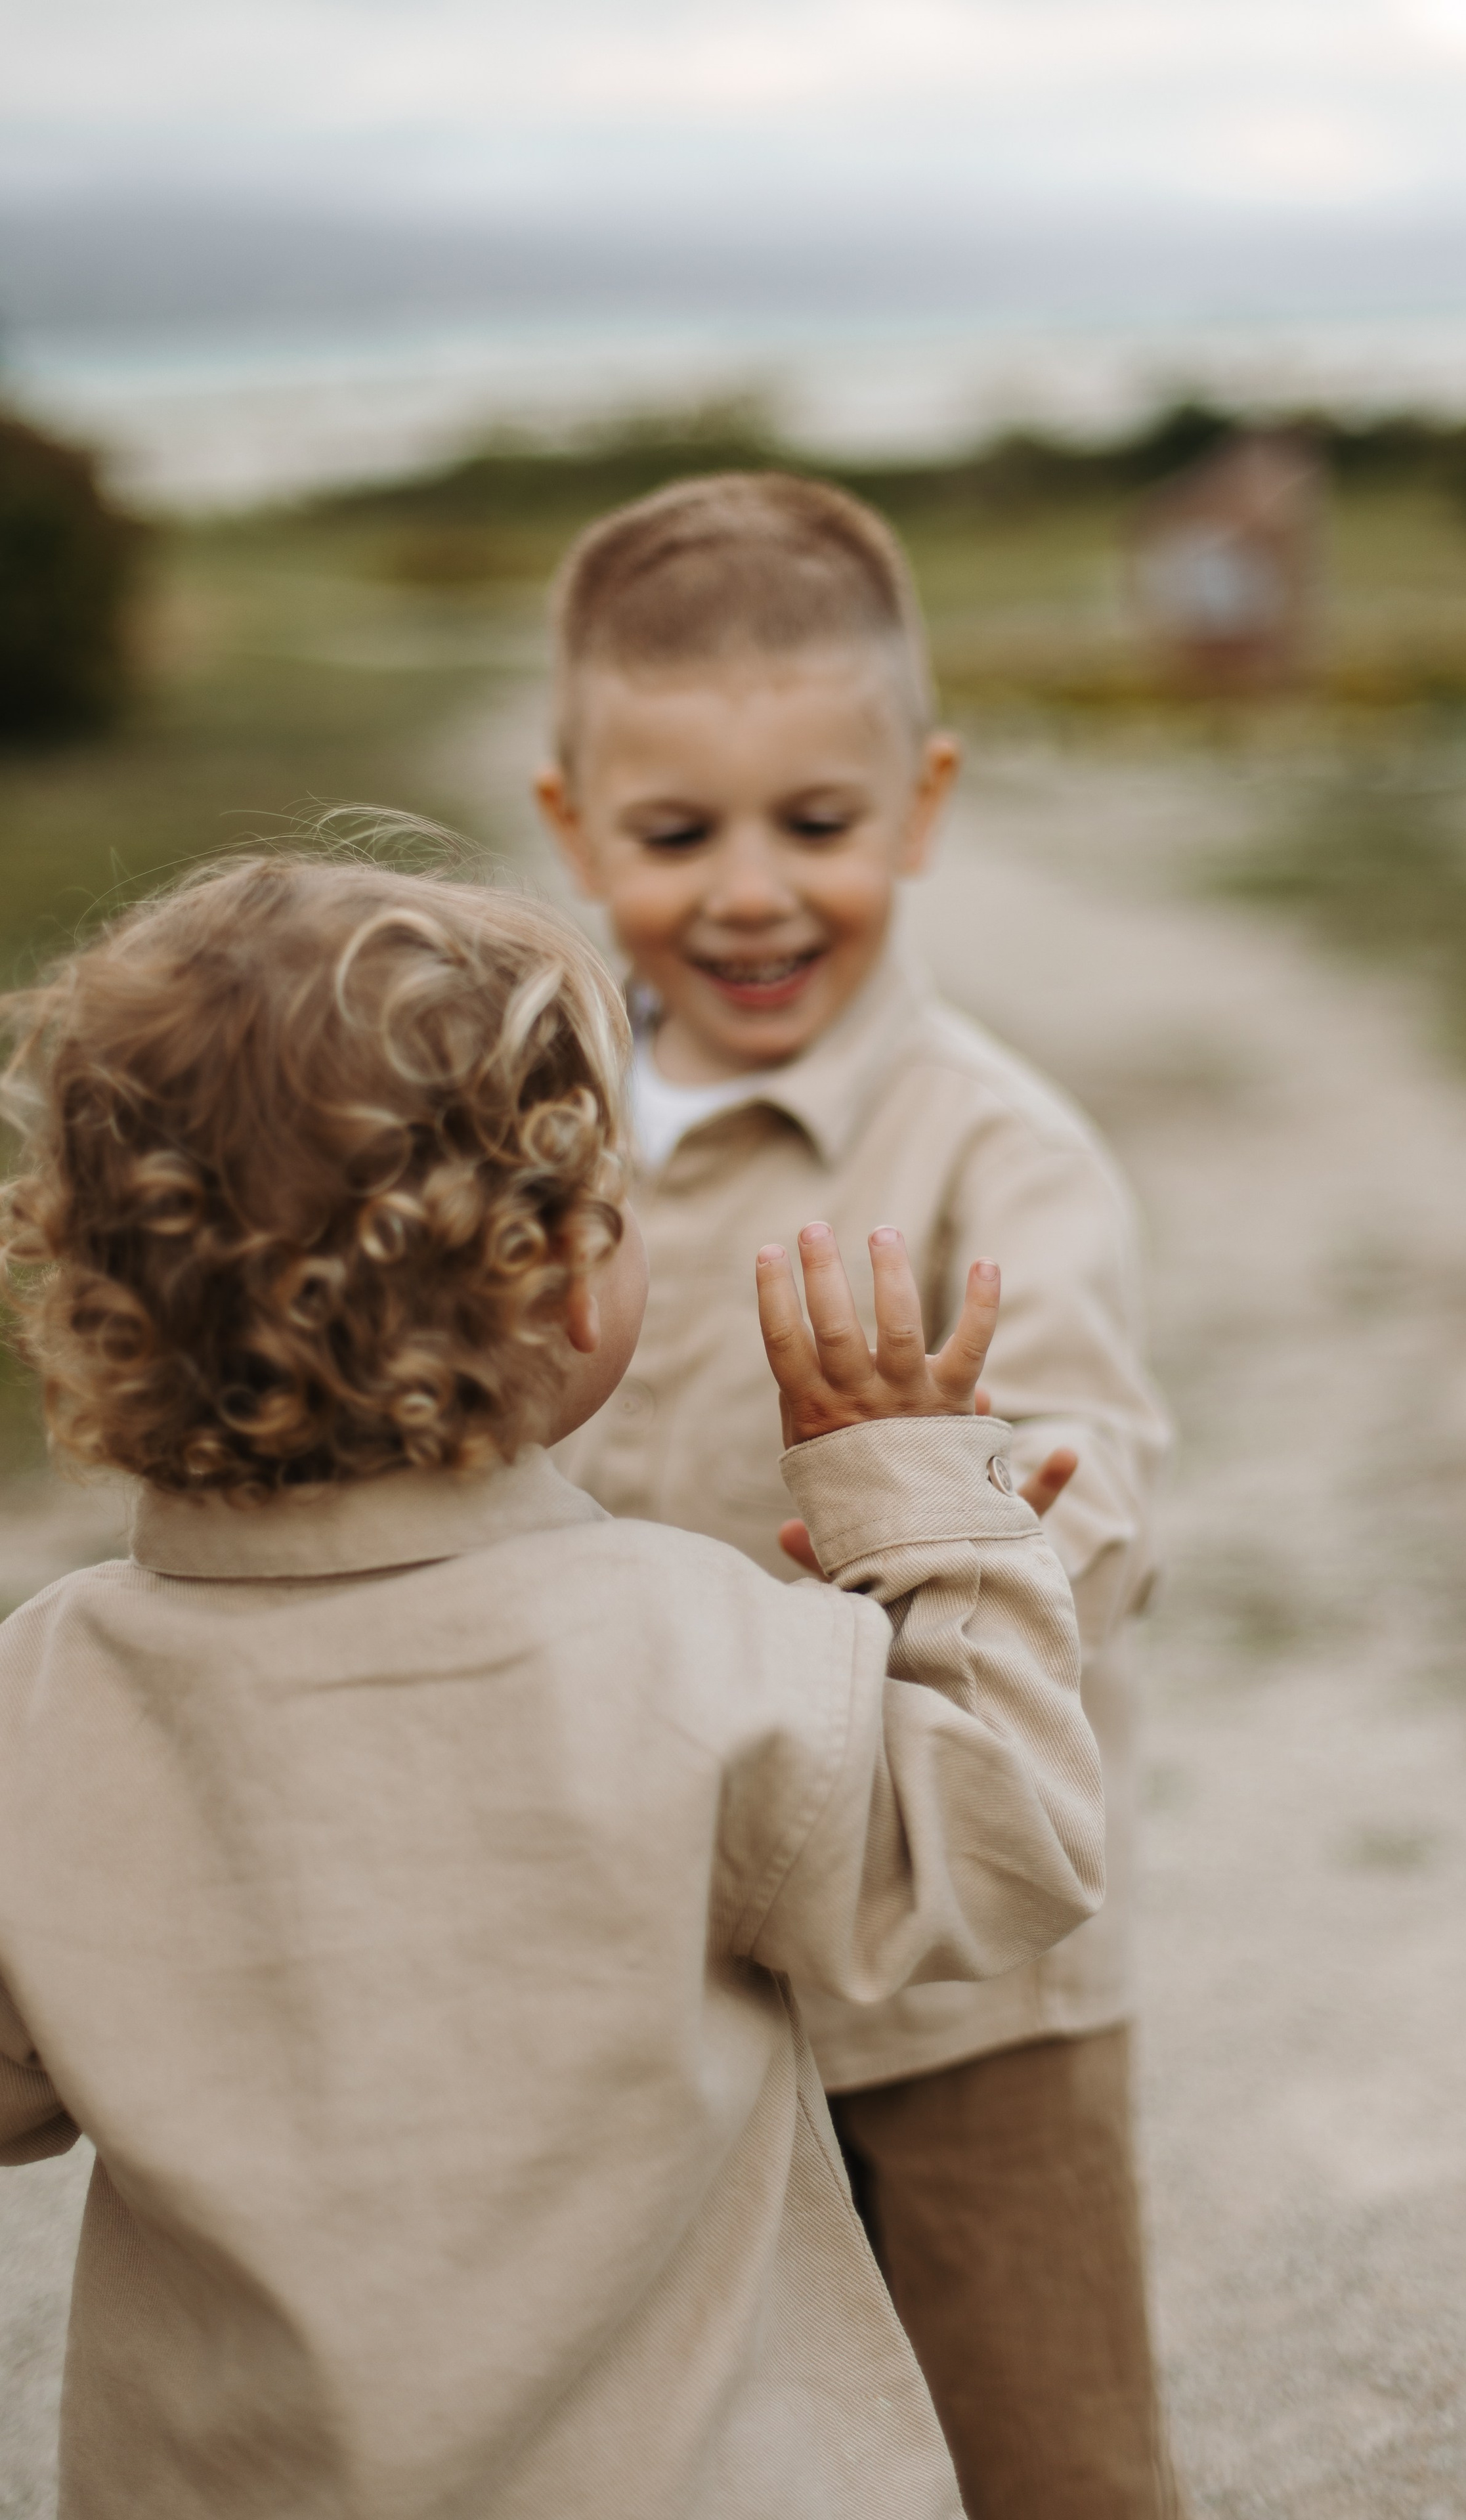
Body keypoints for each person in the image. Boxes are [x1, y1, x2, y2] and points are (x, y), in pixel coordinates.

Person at [0, 852, 1106, 2520]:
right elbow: (1001, 1851)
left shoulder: (45, 1692)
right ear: (559, 1277)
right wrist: (924, 1518)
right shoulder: (695, 1649)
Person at [536, 470, 1180, 2520]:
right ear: (570, 825)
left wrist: (945, 1525)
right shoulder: (537, 1129)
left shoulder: (999, 1149)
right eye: (673, 832)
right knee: (676, 2439)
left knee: (1041, 2438)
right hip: (639, 1941)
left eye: (815, 825)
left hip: (960, 1950)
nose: (748, 891)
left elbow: (1097, 1481)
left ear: (919, 805)